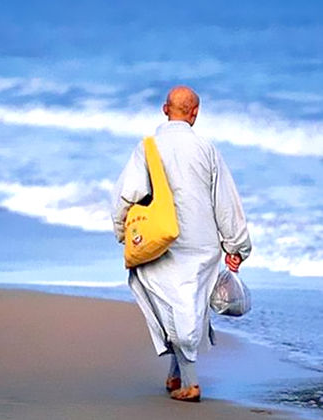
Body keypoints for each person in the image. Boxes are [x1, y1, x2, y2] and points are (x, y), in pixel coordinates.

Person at [111, 86, 252, 402]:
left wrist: (122, 231)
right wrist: (237, 246)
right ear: (195, 113)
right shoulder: (206, 148)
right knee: (188, 307)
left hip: (163, 244)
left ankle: (190, 383)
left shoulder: (147, 148)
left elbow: (126, 194)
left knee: (173, 307)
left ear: (164, 110)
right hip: (203, 244)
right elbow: (226, 200)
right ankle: (176, 375)